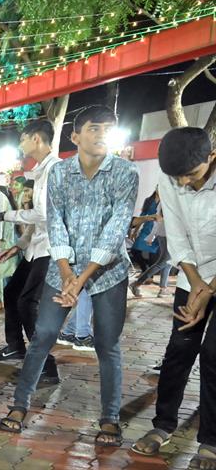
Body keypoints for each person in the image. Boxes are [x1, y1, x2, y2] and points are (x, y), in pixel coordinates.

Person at [0, 105, 138, 448]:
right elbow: (55, 223)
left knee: (107, 343)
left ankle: (110, 416)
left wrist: (82, 277)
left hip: (108, 271)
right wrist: (65, 272)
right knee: (44, 333)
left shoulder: (125, 172)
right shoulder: (60, 173)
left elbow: (116, 229)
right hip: (62, 267)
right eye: (94, 128)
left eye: (107, 129)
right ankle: (20, 404)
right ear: (75, 136)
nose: (101, 134)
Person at [131, 127, 216, 468]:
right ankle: (163, 425)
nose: (182, 183)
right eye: (176, 177)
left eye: (191, 175)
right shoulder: (172, 178)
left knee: (214, 355)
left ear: (211, 157)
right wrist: (195, 284)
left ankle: (211, 441)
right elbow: (177, 235)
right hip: (193, 273)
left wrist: (208, 290)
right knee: (179, 348)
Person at [0, 120, 62, 388]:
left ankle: (46, 366)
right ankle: (15, 346)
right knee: (12, 293)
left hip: (51, 249)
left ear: (37, 139)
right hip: (35, 247)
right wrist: (19, 245)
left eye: (22, 139)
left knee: (27, 302)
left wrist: (5, 215)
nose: (20, 145)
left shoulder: (54, 170)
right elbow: (37, 221)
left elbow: (43, 214)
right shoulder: (39, 170)